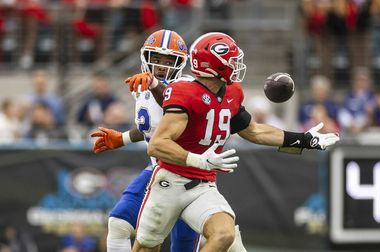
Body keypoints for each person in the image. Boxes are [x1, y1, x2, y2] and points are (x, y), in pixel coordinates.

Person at [130, 32, 339, 252]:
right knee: (146, 248)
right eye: (231, 60)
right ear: (213, 64)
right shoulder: (184, 92)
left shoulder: (231, 92)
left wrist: (304, 140)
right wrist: (199, 160)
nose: (236, 65)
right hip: (169, 183)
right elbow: (158, 145)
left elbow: (254, 131)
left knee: (224, 235)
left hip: (203, 185)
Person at [90, 30, 200, 252]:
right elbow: (154, 127)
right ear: (145, 57)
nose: (160, 66)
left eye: (168, 61)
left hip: (190, 177)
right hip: (157, 170)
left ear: (180, 62)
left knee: (182, 247)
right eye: (156, 59)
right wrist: (123, 138)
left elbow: (171, 101)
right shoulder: (142, 88)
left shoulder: (189, 86)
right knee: (119, 223)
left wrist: (153, 84)